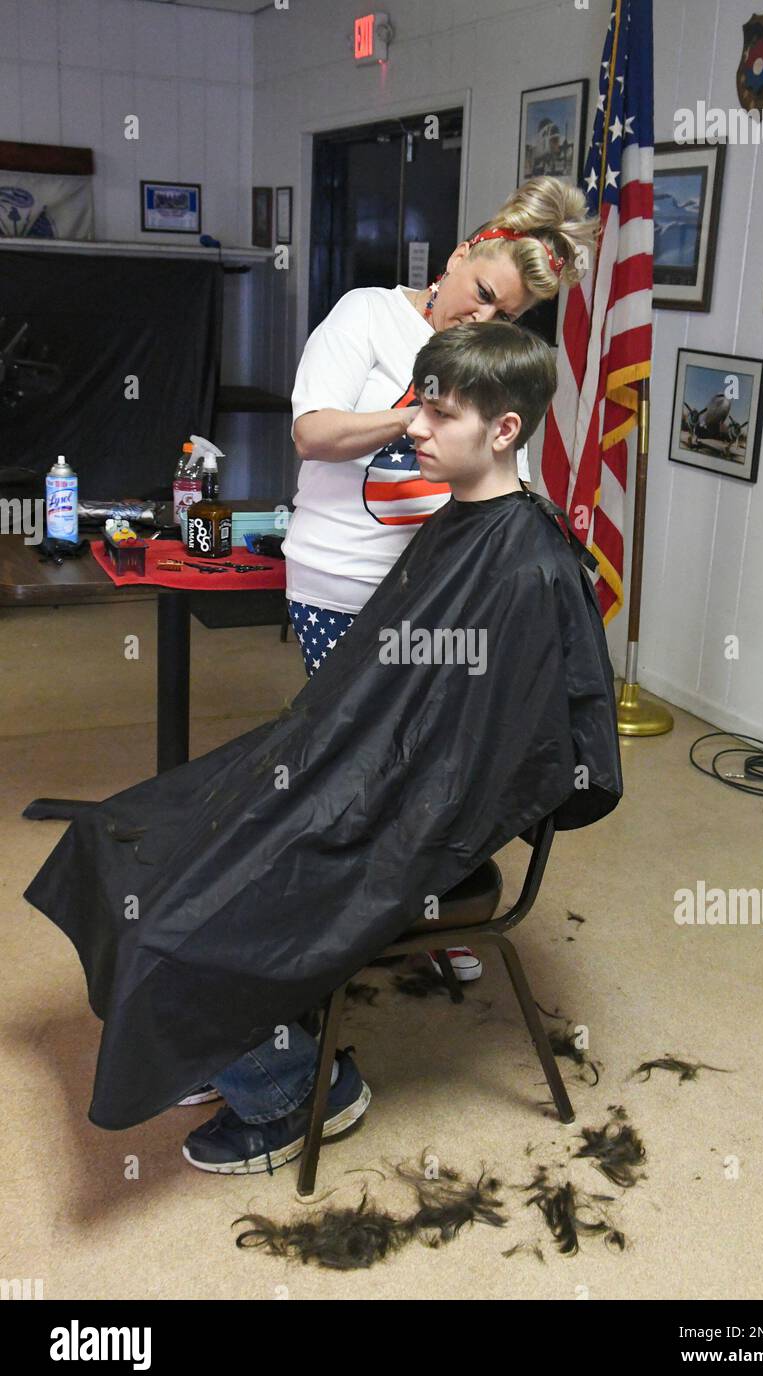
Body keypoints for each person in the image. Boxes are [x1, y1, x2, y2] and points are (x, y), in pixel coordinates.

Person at [23, 321, 623, 1176]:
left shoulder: (526, 567)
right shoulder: (462, 521)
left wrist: (350, 796)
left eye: (436, 413)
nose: (410, 425)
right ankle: (215, 1040)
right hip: (355, 770)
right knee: (124, 835)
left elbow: (489, 760)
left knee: (171, 920)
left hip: (404, 816)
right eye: (417, 404)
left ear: (504, 431)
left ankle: (298, 1089)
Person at [284, 173, 596, 985]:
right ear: (461, 254)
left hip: (441, 592)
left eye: (510, 316)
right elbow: (313, 435)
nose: (487, 317)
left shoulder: (488, 357)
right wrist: (426, 408)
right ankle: (359, 910)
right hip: (343, 584)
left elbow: (506, 472)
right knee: (363, 761)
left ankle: (432, 904)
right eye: (485, 292)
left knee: (441, 760)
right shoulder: (366, 314)